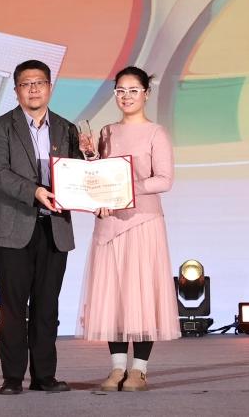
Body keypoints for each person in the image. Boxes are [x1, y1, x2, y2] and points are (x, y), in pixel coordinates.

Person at [77, 66, 181, 392]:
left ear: (146, 93)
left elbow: (164, 180)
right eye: (120, 91)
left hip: (142, 223)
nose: (126, 96)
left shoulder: (156, 133)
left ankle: (139, 370)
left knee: (142, 295)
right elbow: (98, 175)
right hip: (109, 224)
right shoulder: (107, 131)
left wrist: (125, 188)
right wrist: (89, 155)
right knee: (114, 297)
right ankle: (117, 367)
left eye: (133, 90)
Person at [0, 59, 83, 395]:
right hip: (13, 228)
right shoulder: (1, 127)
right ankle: (12, 378)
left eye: (39, 82)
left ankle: (44, 376)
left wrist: (90, 158)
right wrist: (35, 192)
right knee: (14, 307)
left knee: (47, 306)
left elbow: (78, 175)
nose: (33, 89)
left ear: (50, 87)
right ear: (16, 91)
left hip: (54, 229)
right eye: (26, 84)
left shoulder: (67, 128)